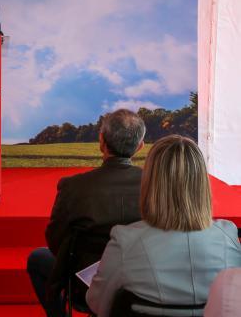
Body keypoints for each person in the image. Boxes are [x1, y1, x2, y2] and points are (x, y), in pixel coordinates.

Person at [86, 135, 241, 317]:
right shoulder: (228, 235)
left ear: (150, 181)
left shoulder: (125, 241)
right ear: (201, 183)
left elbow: (97, 304)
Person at [27, 109, 146, 317]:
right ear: (140, 146)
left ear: (101, 141)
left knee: (37, 258)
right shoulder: (158, 186)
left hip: (87, 287)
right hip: (145, 285)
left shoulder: (73, 187)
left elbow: (55, 241)